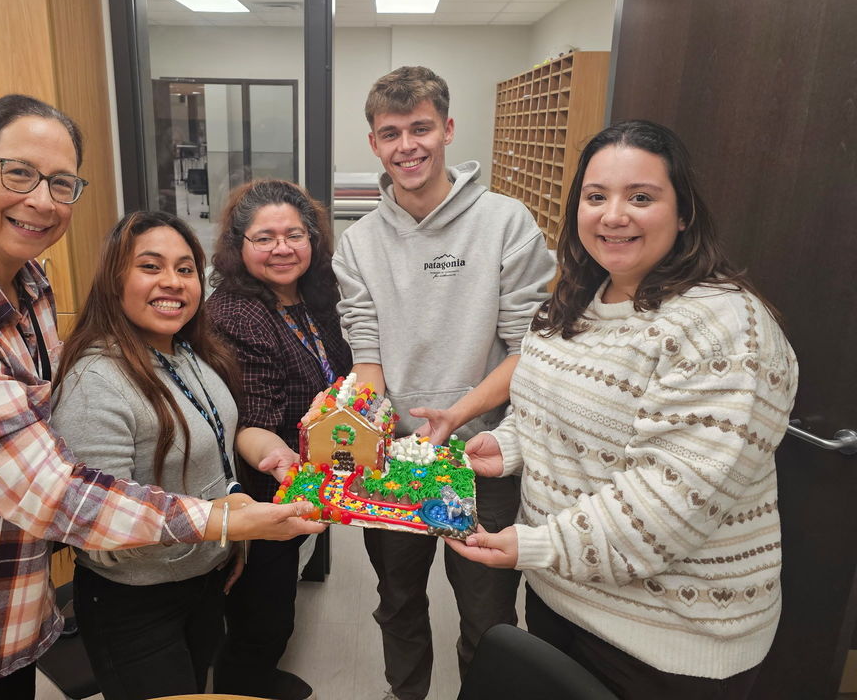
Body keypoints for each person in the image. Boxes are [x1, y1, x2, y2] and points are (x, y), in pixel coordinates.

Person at [0, 95, 321, 700]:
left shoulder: (30, 283)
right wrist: (223, 519)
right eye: (19, 173)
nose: (41, 200)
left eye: (61, 184)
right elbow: (47, 490)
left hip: (6, 595)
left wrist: (230, 518)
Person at [445, 120, 798, 700]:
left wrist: (531, 546)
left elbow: (667, 505)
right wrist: (508, 447)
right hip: (562, 597)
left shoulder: (724, 329)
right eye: (596, 196)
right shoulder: (574, 304)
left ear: (683, 213)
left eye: (641, 197)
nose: (614, 215)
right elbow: (542, 408)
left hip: (663, 640)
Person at [332, 66, 555, 700]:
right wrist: (357, 431)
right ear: (374, 142)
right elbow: (366, 354)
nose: (409, 145)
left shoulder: (506, 223)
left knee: (486, 614)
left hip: (485, 456)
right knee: (398, 600)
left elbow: (527, 349)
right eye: (392, 132)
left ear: (449, 129)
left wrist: (456, 417)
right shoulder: (358, 245)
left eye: (422, 128)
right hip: (400, 457)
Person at [51, 210, 310, 699]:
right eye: (151, 267)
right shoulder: (96, 381)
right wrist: (230, 525)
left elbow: (212, 454)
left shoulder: (188, 353)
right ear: (114, 279)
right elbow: (97, 529)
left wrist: (229, 536)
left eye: (185, 269)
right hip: (137, 601)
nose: (172, 283)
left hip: (203, 580)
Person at [207, 178, 353, 700]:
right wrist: (280, 459)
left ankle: (255, 675)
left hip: (306, 475)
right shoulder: (237, 314)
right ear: (239, 245)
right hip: (263, 483)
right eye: (264, 238)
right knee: (261, 618)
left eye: (294, 234)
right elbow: (250, 419)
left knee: (274, 602)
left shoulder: (315, 297)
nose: (282, 248)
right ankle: (243, 683)